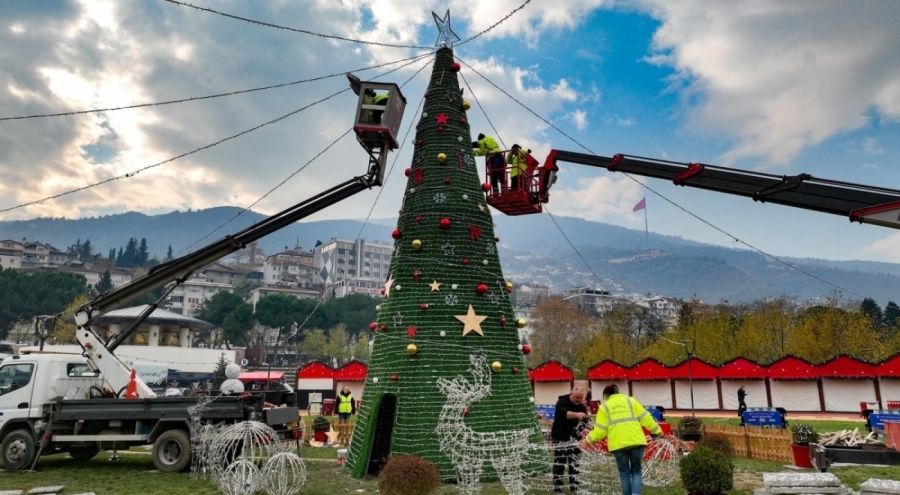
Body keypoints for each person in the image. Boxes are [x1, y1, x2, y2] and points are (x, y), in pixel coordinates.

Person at [583, 384, 662, 495]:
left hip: (618, 445)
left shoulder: (605, 407)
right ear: (618, 391)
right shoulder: (630, 400)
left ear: (606, 395)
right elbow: (646, 417)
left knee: (624, 473)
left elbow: (600, 430)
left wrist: (588, 440)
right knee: (636, 471)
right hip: (636, 441)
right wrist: (658, 431)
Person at [550, 386, 588, 493]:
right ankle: (558, 488)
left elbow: (586, 420)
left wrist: (589, 426)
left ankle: (574, 487)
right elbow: (564, 414)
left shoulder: (581, 406)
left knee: (575, 463)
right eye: (577, 397)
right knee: (560, 463)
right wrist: (577, 414)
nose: (579, 400)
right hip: (560, 437)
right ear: (572, 393)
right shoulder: (562, 402)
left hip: (576, 439)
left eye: (581, 398)